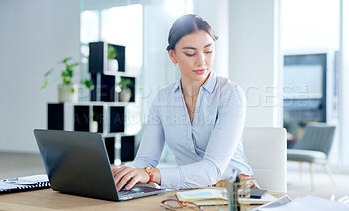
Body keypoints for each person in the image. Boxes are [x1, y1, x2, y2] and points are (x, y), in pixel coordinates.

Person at [111, 14, 259, 190]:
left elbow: (211, 169)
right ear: (172, 56)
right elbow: (145, 160)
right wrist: (124, 172)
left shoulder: (230, 94)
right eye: (190, 53)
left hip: (236, 192)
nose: (201, 61)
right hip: (189, 192)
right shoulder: (163, 99)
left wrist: (152, 174)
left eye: (208, 51)